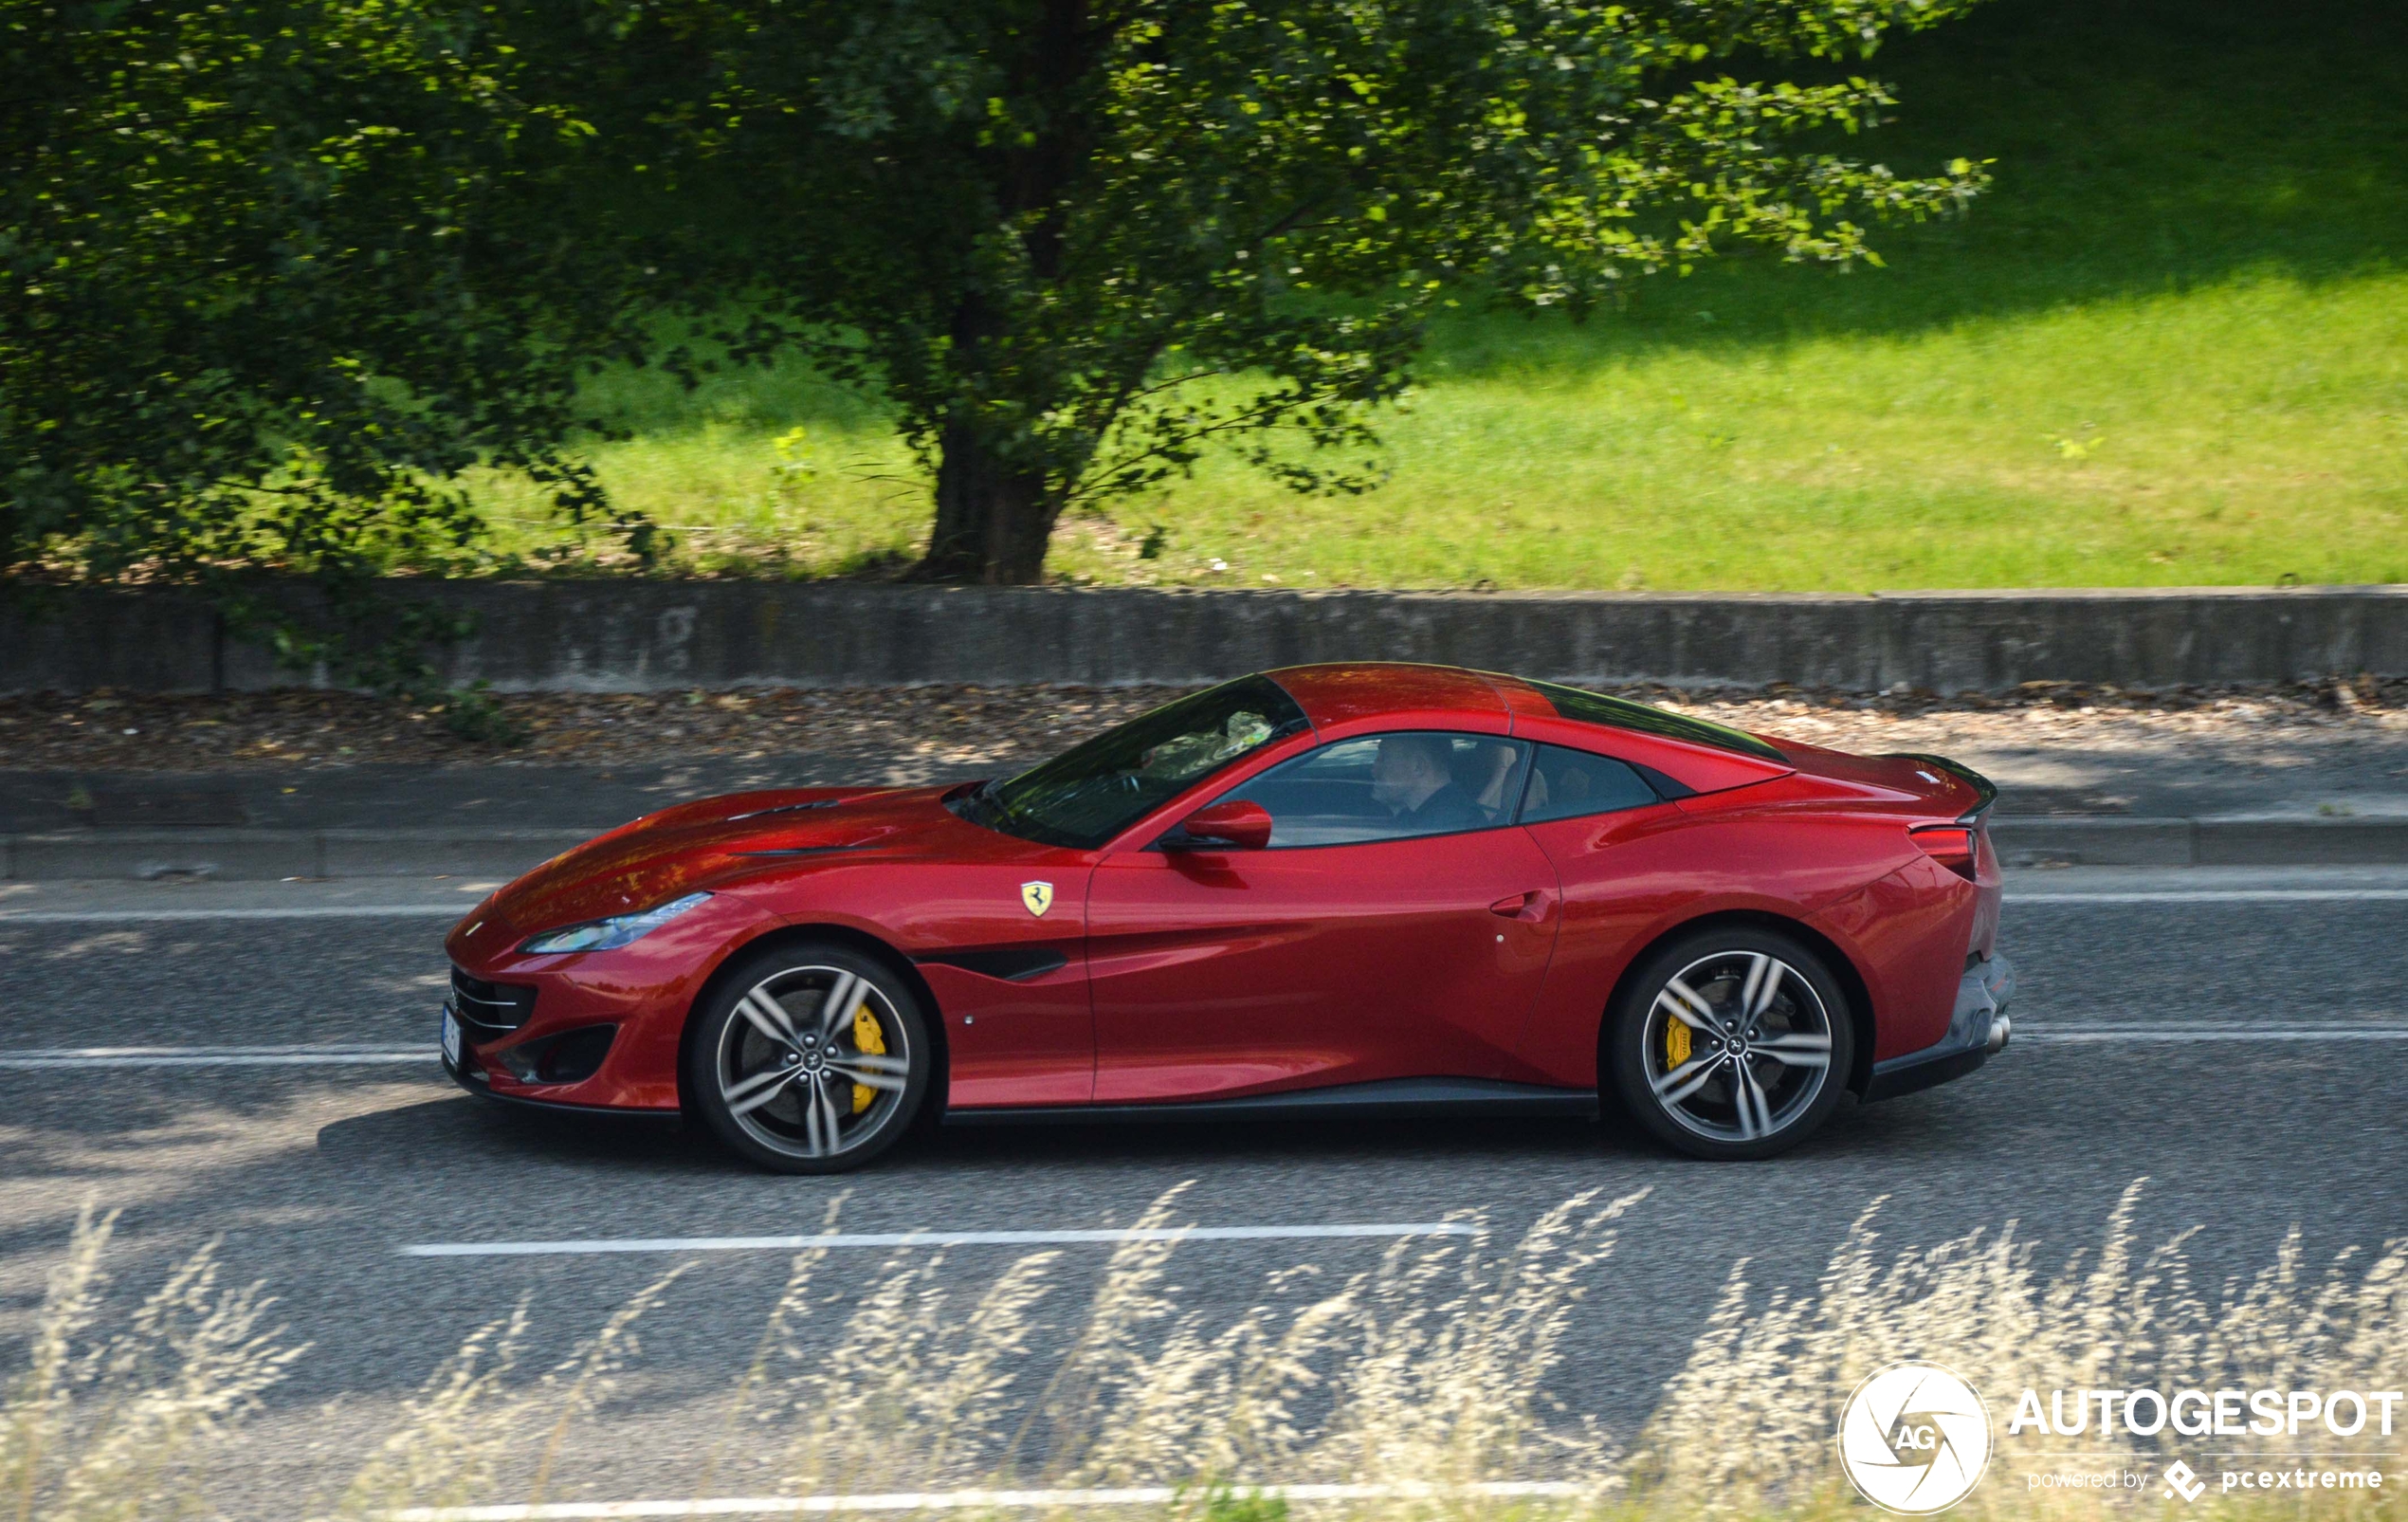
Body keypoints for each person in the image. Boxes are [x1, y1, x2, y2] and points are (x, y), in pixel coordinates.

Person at [1369, 734, 1483, 834]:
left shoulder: (1445, 829)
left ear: (1418, 767)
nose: (1373, 770)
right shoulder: (1438, 816)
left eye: (1383, 759)